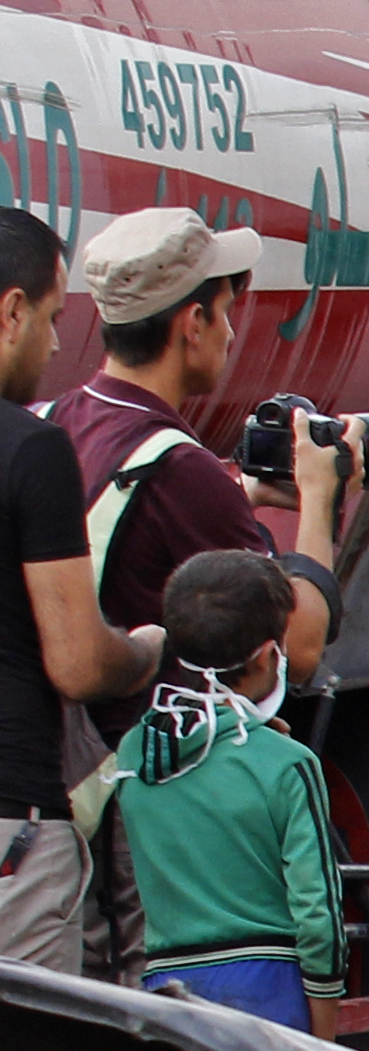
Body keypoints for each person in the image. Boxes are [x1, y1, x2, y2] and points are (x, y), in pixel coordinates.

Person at [58, 210, 343, 691]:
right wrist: (320, 498)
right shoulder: (180, 470)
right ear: (193, 323)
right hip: (143, 752)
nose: (230, 333)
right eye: (226, 310)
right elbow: (296, 650)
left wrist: (240, 498)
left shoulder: (55, 420)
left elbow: (134, 543)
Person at [0, 206, 159, 972]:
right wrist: (143, 650)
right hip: (11, 827)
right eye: (54, 317)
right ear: (11, 311)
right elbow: (75, 663)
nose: (56, 343)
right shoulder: (32, 451)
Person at [107, 549, 337, 1032]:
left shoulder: (134, 755)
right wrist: (327, 1035)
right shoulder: (289, 766)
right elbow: (319, 919)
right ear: (266, 656)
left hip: (167, 993)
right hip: (269, 993)